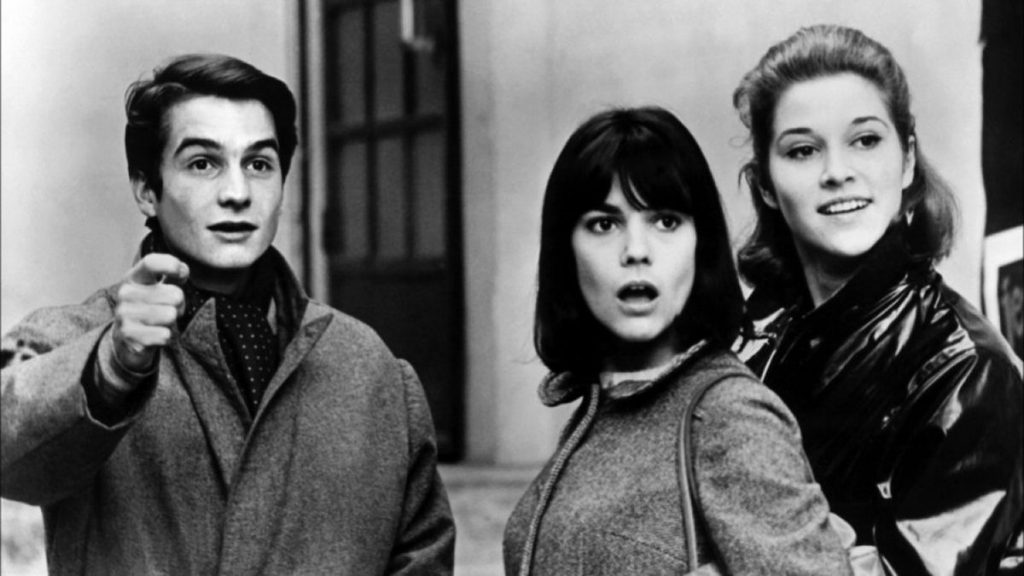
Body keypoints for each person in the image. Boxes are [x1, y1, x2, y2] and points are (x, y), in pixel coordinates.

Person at [0, 54, 455, 574]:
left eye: (259, 164)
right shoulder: (71, 341)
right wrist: (112, 368)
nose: (237, 194)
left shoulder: (369, 367)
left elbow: (422, 555)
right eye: (203, 163)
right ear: (146, 189)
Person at [503, 106, 853, 575]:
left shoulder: (729, 416)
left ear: (700, 246)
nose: (636, 251)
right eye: (604, 224)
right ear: (566, 251)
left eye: (665, 221)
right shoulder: (598, 409)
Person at [732, 24, 1023, 575]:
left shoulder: (968, 367)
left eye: (865, 140)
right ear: (766, 184)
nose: (838, 173)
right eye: (802, 150)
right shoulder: (752, 344)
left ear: (907, 160)